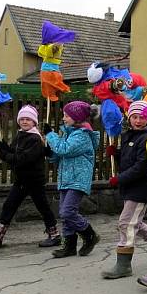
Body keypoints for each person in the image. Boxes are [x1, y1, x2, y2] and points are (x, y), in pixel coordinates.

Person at [0, 105, 60, 248]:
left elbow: (24, 158)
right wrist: (5, 149)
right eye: (22, 119)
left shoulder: (35, 139)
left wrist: (6, 155)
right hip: (21, 180)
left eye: (28, 119)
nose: (24, 121)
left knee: (43, 207)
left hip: (34, 180)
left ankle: (54, 235)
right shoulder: (20, 135)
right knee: (9, 205)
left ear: (34, 122)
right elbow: (15, 153)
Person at [102, 100, 147, 279]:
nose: (138, 120)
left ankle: (124, 265)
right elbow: (128, 159)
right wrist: (116, 154)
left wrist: (119, 179)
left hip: (140, 189)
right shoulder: (128, 136)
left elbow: (142, 166)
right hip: (129, 188)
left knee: (126, 223)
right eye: (134, 117)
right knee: (136, 223)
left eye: (142, 117)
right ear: (129, 117)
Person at [45, 101, 102, 258]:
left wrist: (50, 135)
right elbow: (61, 154)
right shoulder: (70, 133)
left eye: (67, 115)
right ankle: (69, 245)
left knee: (67, 211)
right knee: (65, 214)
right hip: (67, 178)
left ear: (76, 117)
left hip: (78, 178)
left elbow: (65, 149)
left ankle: (89, 234)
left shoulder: (82, 135)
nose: (64, 118)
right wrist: (50, 153)